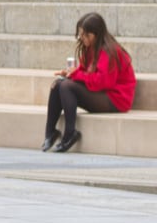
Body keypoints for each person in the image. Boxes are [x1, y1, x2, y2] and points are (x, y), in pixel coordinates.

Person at [44, 12, 138, 153]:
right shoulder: (91, 48)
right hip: (102, 94)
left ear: (96, 34)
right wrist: (70, 74)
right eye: (81, 34)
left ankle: (70, 134)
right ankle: (50, 132)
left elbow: (103, 82)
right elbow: (83, 72)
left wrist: (76, 75)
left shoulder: (109, 51)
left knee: (67, 86)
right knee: (58, 84)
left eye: (86, 35)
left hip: (116, 99)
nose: (82, 38)